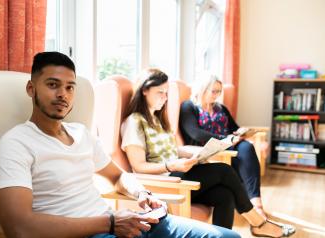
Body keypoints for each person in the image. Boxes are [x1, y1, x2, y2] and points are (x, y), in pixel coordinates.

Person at [0, 52, 240, 238]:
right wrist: (110, 223)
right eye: (52, 85)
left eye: (70, 87)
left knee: (228, 236)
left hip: (123, 223)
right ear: (31, 88)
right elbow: (19, 227)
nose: (63, 94)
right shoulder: (16, 143)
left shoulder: (81, 133)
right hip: (91, 232)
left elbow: (118, 176)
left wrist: (141, 193)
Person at [121, 68, 295, 237]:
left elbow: (173, 150)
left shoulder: (158, 119)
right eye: (160, 92)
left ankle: (244, 229)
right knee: (225, 171)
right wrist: (171, 164)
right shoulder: (134, 122)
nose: (165, 98)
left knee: (225, 196)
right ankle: (258, 223)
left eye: (167, 93)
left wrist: (199, 153)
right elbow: (139, 167)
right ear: (144, 90)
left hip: (175, 173)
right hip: (163, 183)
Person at [179, 73, 266, 217]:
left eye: (219, 91)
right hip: (205, 148)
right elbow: (195, 133)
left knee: (247, 147)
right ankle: (249, 206)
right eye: (214, 91)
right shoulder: (189, 106)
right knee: (243, 152)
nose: (217, 95)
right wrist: (225, 138)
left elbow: (234, 127)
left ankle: (257, 203)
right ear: (202, 89)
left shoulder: (221, 108)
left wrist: (241, 133)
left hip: (228, 144)